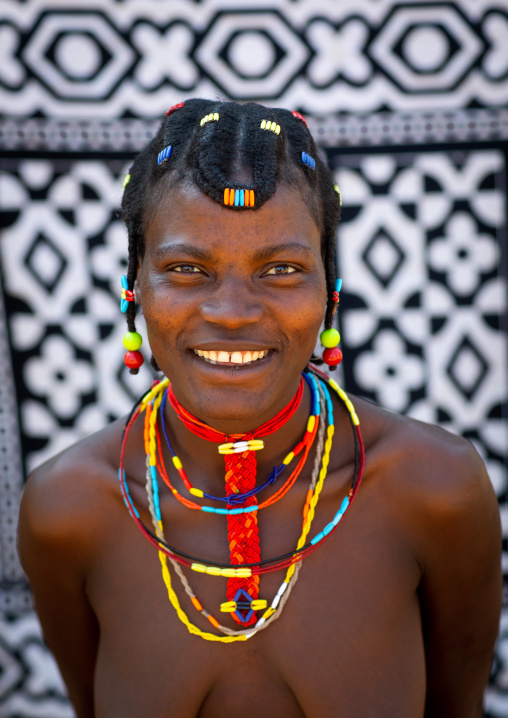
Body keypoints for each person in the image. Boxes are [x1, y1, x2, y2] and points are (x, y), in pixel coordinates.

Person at [18, 99, 502, 718]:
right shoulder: (67, 510)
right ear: (134, 285)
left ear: (330, 291)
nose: (233, 312)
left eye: (280, 268)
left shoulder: (436, 487)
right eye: (187, 268)